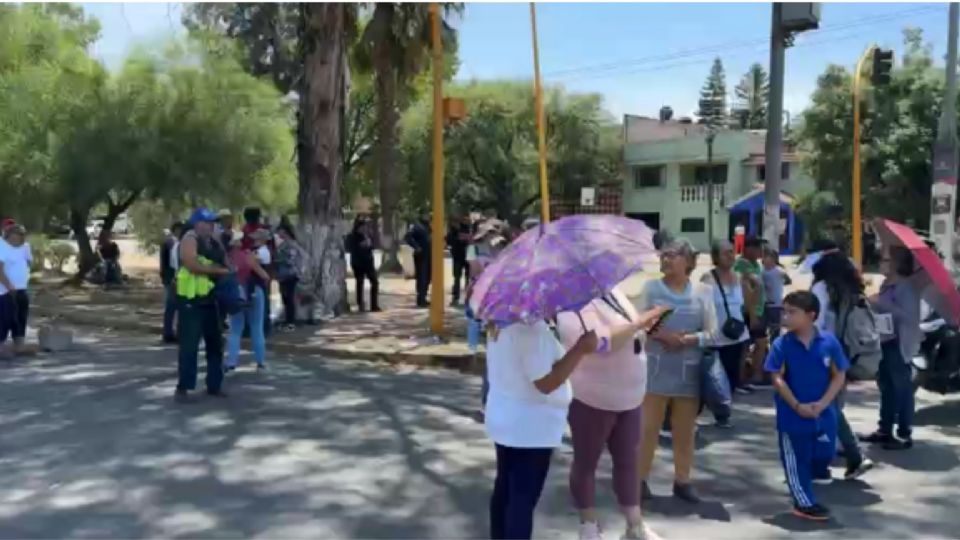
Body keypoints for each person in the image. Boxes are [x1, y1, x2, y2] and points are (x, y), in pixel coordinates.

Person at [557, 288, 668, 540]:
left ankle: (635, 525)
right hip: (592, 397)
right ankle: (588, 525)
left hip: (630, 396)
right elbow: (600, 342)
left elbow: (629, 331)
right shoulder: (571, 304)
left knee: (628, 462)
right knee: (586, 463)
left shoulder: (614, 291)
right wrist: (638, 323)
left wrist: (645, 327)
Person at [486, 317, 599, 540]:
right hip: (530, 428)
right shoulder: (529, 330)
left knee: (506, 490)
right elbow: (545, 382)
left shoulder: (501, 322)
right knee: (521, 498)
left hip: (509, 419)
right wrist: (580, 350)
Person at [635, 238, 718, 504]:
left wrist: (686, 340)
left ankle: (683, 481)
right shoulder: (651, 288)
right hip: (655, 371)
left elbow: (713, 333)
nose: (666, 260)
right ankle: (639, 480)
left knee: (684, 431)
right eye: (663, 255)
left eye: (672, 256)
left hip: (689, 374)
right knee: (647, 429)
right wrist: (663, 335)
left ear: (688, 262)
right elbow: (637, 323)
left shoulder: (703, 292)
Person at [764, 291, 848, 522]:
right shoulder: (782, 344)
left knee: (826, 451)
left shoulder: (828, 342)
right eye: (785, 311)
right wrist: (797, 405)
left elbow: (839, 374)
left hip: (823, 413)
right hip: (793, 415)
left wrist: (823, 403)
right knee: (796, 459)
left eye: (792, 312)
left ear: (811, 316)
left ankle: (814, 475)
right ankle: (804, 502)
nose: (786, 317)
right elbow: (777, 377)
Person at [810, 252, 875, 479]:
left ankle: (852, 455)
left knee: (827, 408)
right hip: (844, 354)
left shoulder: (822, 289)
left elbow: (814, 324)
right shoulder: (851, 291)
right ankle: (834, 458)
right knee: (831, 406)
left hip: (822, 354)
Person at [861, 246, 922, 450]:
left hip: (899, 343)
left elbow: (909, 317)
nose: (881, 263)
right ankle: (885, 429)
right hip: (884, 341)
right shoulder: (887, 284)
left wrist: (883, 305)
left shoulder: (906, 287)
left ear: (897, 263)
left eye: (885, 260)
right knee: (886, 386)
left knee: (902, 388)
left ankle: (904, 433)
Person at [175, 208, 230, 402]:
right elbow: (191, 264)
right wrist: (217, 271)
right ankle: (183, 386)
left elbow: (226, 262)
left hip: (211, 298)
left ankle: (214, 385)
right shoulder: (190, 239)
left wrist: (227, 268)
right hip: (191, 299)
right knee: (189, 345)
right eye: (207, 222)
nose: (210, 226)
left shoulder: (214, 240)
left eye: (212, 222)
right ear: (196, 223)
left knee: (215, 344)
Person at [701, 240, 750, 428]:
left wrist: (753, 284)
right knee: (713, 377)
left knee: (731, 377)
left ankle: (722, 412)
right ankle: (712, 410)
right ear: (715, 257)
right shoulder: (708, 278)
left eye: (732, 252)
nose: (731, 256)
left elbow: (745, 305)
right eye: (726, 253)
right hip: (716, 337)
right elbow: (702, 307)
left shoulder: (738, 277)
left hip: (737, 335)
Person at [225, 230, 271, 371]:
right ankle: (260, 360)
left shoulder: (229, 257)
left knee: (235, 329)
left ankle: (231, 362)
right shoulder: (252, 255)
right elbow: (264, 275)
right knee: (256, 327)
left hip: (236, 292)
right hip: (254, 291)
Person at [735, 237, 766, 388]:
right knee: (746, 345)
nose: (761, 251)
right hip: (748, 311)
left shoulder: (756, 265)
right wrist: (752, 314)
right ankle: (743, 378)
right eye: (757, 247)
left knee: (759, 343)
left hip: (759, 309)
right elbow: (749, 289)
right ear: (747, 248)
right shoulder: (742, 264)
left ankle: (755, 374)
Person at [0, 224, 32, 357]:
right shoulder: (2, 247)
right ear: (8, 236)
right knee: (5, 318)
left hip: (21, 288)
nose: (16, 240)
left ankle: (19, 345)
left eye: (19, 238)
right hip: (4, 290)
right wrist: (9, 286)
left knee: (20, 317)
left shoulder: (24, 247)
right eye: (14, 237)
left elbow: (28, 262)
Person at [275, 224, 308, 329]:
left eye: (279, 231)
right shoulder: (284, 244)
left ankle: (290, 321)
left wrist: (277, 260)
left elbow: (291, 259)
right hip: (284, 274)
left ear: (285, 232)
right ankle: (288, 320)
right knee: (285, 298)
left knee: (289, 298)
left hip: (290, 274)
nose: (278, 234)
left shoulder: (290, 244)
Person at [347, 216, 381, 312]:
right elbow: (350, 248)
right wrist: (361, 246)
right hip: (358, 263)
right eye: (362, 227)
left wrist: (370, 244)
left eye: (365, 226)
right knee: (360, 282)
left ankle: (374, 305)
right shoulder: (352, 237)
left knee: (374, 282)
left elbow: (373, 246)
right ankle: (360, 303)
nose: (364, 229)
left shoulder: (368, 235)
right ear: (358, 227)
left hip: (369, 263)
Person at [762, 248, 792, 343]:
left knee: (775, 329)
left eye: (769, 257)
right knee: (763, 329)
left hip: (776, 304)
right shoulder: (761, 272)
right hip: (763, 304)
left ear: (774, 259)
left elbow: (788, 280)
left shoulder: (779, 271)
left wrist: (780, 284)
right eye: (765, 257)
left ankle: (774, 347)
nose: (766, 260)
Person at [161, 222, 184, 343]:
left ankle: (178, 332)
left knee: (180, 306)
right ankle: (168, 333)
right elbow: (164, 263)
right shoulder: (169, 243)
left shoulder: (182, 243)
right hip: (171, 279)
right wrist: (166, 278)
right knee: (170, 306)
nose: (180, 232)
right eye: (178, 230)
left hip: (181, 278)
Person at [405, 216, 431, 308]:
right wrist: (416, 247)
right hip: (421, 256)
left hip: (429, 255)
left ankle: (423, 297)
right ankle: (420, 299)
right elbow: (408, 237)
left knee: (427, 277)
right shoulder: (417, 227)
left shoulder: (429, 227)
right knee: (422, 277)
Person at [447, 215, 472, 306]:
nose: (466, 220)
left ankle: (468, 298)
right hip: (458, 255)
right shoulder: (455, 229)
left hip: (469, 255)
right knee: (457, 277)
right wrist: (458, 239)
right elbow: (448, 240)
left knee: (469, 278)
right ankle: (455, 297)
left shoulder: (472, 229)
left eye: (467, 219)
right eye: (464, 219)